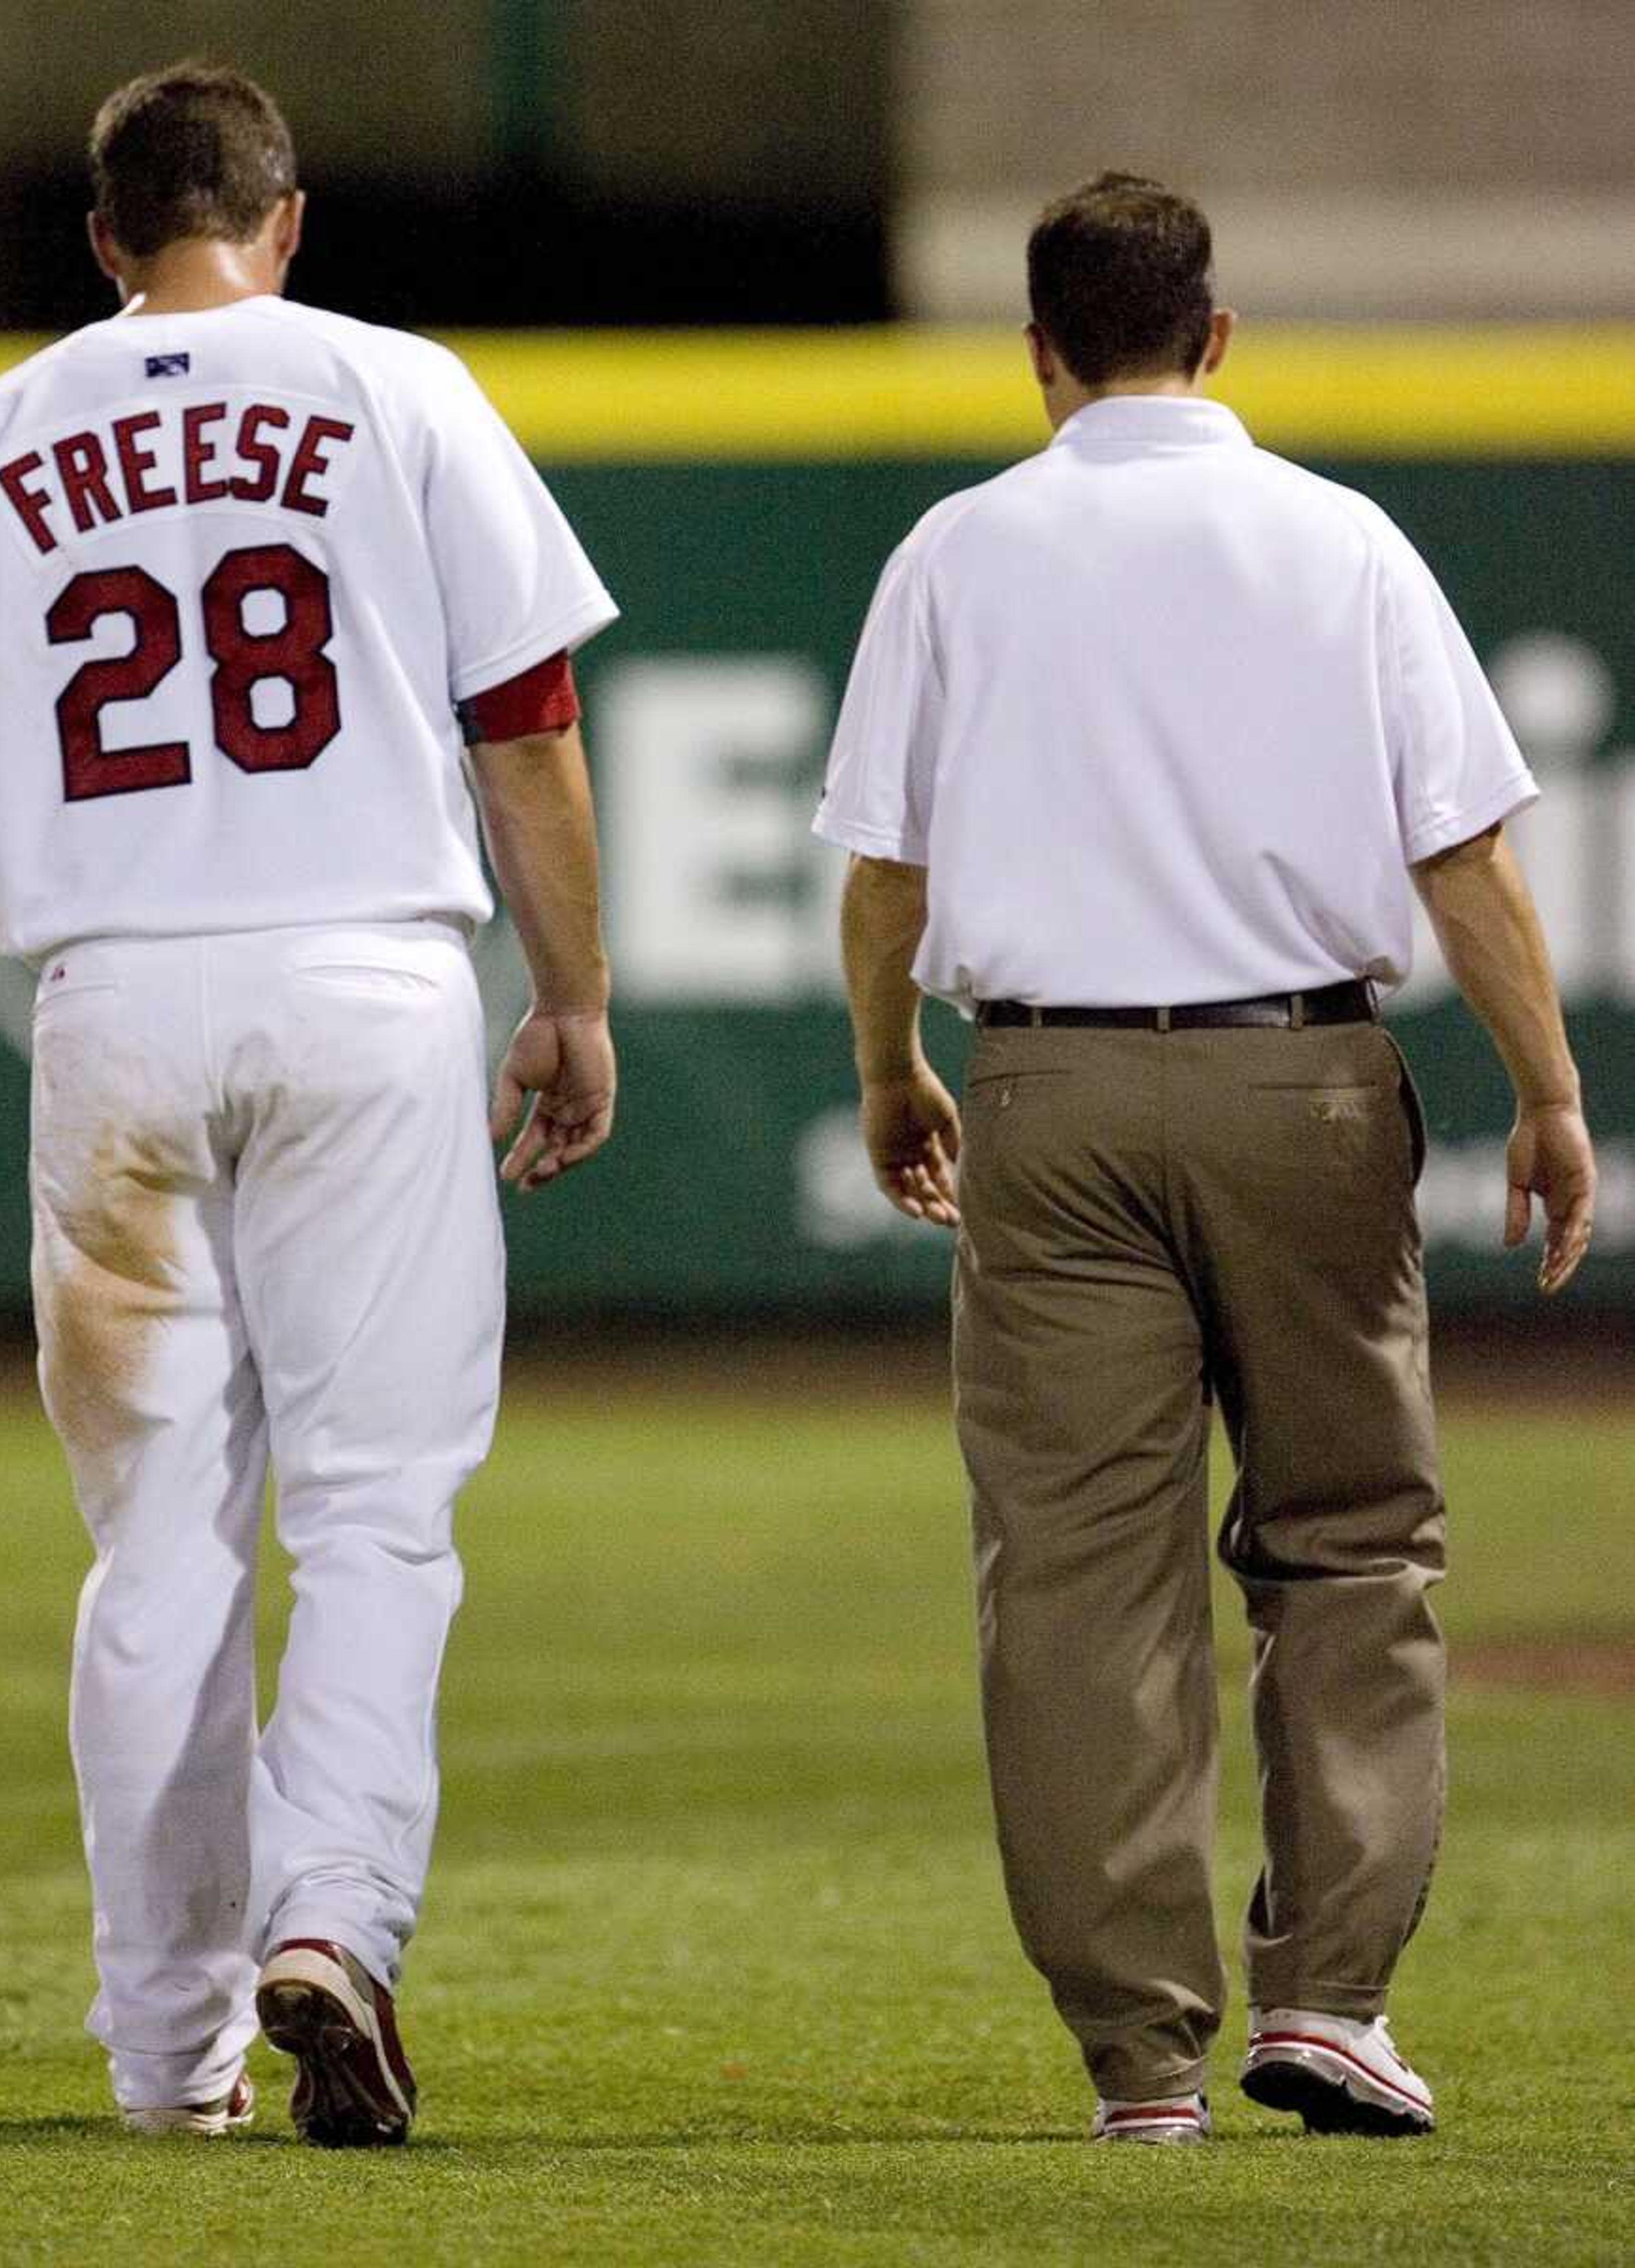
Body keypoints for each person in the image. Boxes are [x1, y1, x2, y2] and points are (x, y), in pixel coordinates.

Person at [0, 61, 619, 2146]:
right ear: (285, 220)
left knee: (157, 1550)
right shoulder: (398, 387)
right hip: (368, 985)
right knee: (374, 1507)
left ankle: (167, 2062)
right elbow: (526, 729)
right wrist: (578, 994)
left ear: (104, 242)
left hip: (112, 1014)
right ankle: (332, 1920)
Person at [816, 174, 1595, 2146]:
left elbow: (887, 868)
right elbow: (1466, 854)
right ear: (1220, 335)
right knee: (1348, 1543)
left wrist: (892, 1064)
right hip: (1303, 1087)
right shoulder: (1338, 541)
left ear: (1038, 353)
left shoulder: (955, 550)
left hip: (1052, 1102)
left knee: (1081, 1583)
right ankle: (1329, 1997)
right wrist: (1554, 1088)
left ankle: (1143, 2063)